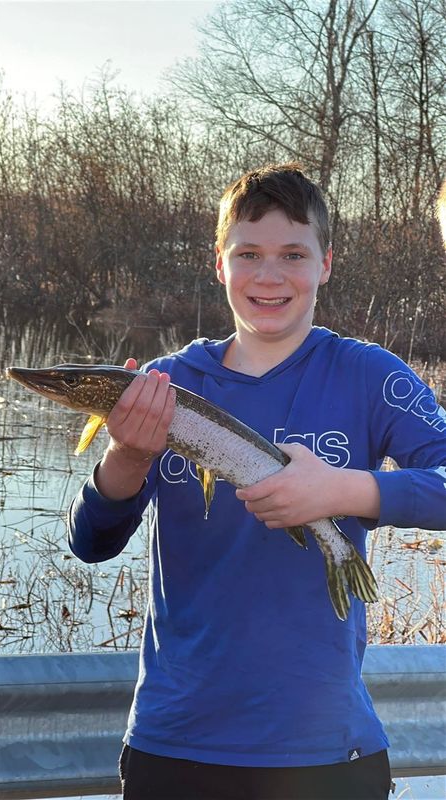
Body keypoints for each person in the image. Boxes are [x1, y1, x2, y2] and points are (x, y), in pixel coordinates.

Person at [68, 163, 446, 800]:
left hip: (327, 750)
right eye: (249, 254)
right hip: (175, 743)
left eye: (293, 254)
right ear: (220, 264)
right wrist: (128, 456)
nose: (269, 276)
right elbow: (91, 542)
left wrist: (345, 492)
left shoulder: (371, 375)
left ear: (326, 263)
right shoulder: (165, 384)